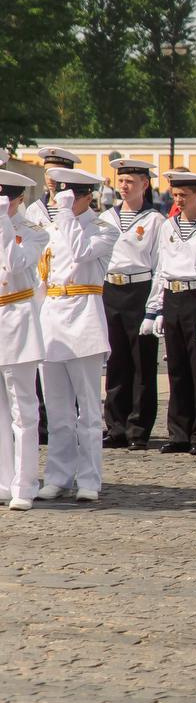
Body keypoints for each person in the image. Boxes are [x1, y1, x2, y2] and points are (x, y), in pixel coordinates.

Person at [35, 168, 116, 502]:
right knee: (57, 409)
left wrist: (67, 214)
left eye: (69, 196)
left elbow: (81, 252)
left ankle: (89, 479)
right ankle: (57, 475)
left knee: (88, 411)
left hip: (84, 317)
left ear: (86, 196)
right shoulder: (55, 227)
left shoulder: (104, 228)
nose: (61, 202)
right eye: (59, 196)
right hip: (52, 317)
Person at [147, 172, 196, 454]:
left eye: (184, 195)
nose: (178, 200)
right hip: (173, 295)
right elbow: (161, 267)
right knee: (177, 368)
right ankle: (178, 432)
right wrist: (155, 307)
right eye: (175, 195)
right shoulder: (168, 225)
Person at [101, 158, 167, 450]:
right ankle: (115, 426)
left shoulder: (155, 221)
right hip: (111, 290)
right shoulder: (106, 218)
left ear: (145, 184)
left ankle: (138, 428)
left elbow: (159, 265)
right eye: (121, 180)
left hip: (139, 290)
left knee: (141, 363)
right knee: (115, 362)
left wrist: (155, 305)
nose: (124, 186)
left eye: (130, 181)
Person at [0, 171, 47, 510]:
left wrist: (4, 223)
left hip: (17, 320)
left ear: (15, 200)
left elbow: (14, 264)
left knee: (23, 411)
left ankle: (24, 483)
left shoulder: (32, 232)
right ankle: (3, 480)